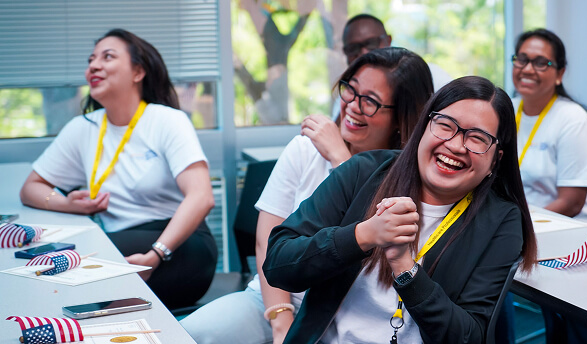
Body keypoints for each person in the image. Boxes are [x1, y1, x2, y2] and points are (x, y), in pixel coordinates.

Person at [180, 47, 434, 343]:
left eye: (370, 102)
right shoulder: (305, 149)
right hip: (276, 299)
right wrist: (281, 321)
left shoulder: (412, 177)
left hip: (347, 316)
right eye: (350, 90)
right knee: (184, 335)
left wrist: (343, 162)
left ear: (401, 116)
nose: (352, 105)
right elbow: (267, 239)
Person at [263, 76, 537, 343]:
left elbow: (469, 335)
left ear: (495, 159)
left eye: (477, 138)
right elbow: (278, 264)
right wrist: (362, 236)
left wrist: (406, 270)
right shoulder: (363, 171)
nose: (455, 145)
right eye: (445, 125)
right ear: (425, 125)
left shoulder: (501, 220)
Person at [19, 29, 217, 309]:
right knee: (46, 265)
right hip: (120, 242)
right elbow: (30, 188)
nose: (94, 66)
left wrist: (155, 255)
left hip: (179, 245)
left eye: (107, 57)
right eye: (90, 60)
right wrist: (70, 205)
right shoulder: (83, 128)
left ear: (138, 72)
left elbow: (201, 197)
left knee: (65, 264)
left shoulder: (167, 121)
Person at [511, 28, 587, 224]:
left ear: (560, 73)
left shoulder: (574, 120)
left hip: (563, 230)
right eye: (522, 59)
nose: (527, 69)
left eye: (541, 63)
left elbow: (571, 203)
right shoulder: (506, 109)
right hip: (514, 225)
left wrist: (520, 224)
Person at [331, 14, 451, 119]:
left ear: (388, 40)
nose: (364, 53)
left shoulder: (432, 76)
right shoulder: (346, 97)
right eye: (353, 48)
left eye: (371, 43)